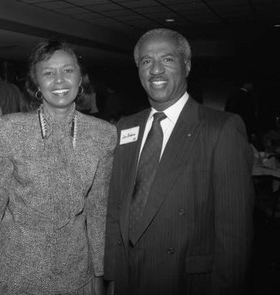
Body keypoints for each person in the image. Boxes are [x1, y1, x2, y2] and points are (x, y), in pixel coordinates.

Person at [104, 28, 254, 295]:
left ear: (187, 65)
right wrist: (113, 276)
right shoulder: (126, 127)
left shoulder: (221, 128)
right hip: (129, 278)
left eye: (167, 59)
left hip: (185, 280)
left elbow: (234, 234)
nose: (156, 70)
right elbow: (117, 207)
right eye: (147, 61)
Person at [0, 39, 117, 294]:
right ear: (36, 82)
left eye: (68, 71)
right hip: (15, 269)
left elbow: (98, 210)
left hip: (74, 271)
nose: (59, 80)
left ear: (80, 80)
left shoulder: (104, 134)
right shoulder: (9, 128)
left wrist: (100, 274)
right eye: (48, 73)